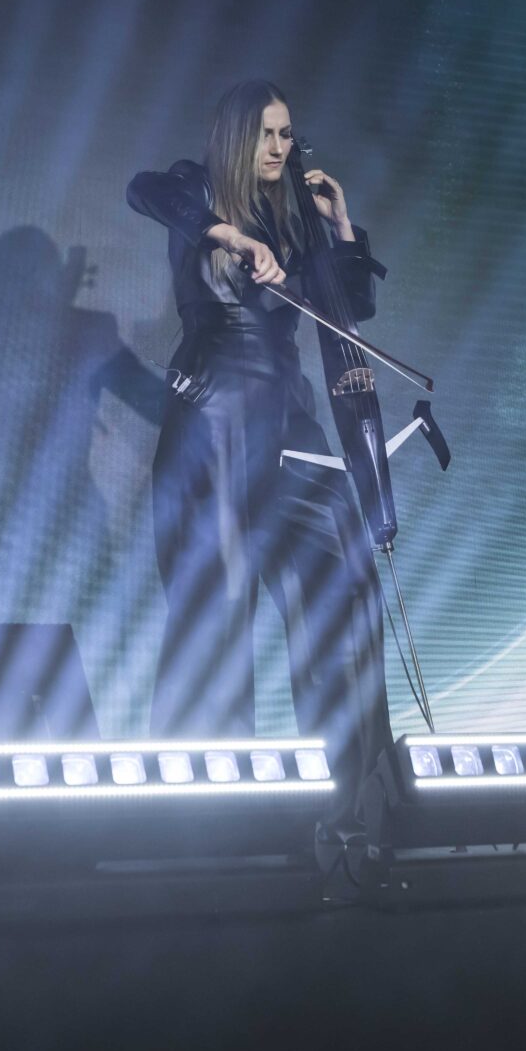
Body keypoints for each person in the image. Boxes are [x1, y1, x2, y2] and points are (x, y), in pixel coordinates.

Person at [126, 79, 390, 785]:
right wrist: (229, 234)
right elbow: (144, 189)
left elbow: (352, 304)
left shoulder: (297, 216)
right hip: (213, 418)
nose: (280, 148)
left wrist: (340, 224)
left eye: (286, 135)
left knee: (345, 583)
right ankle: (210, 809)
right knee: (214, 607)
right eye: (267, 134)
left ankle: (355, 795)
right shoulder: (198, 188)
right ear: (239, 136)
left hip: (290, 416)